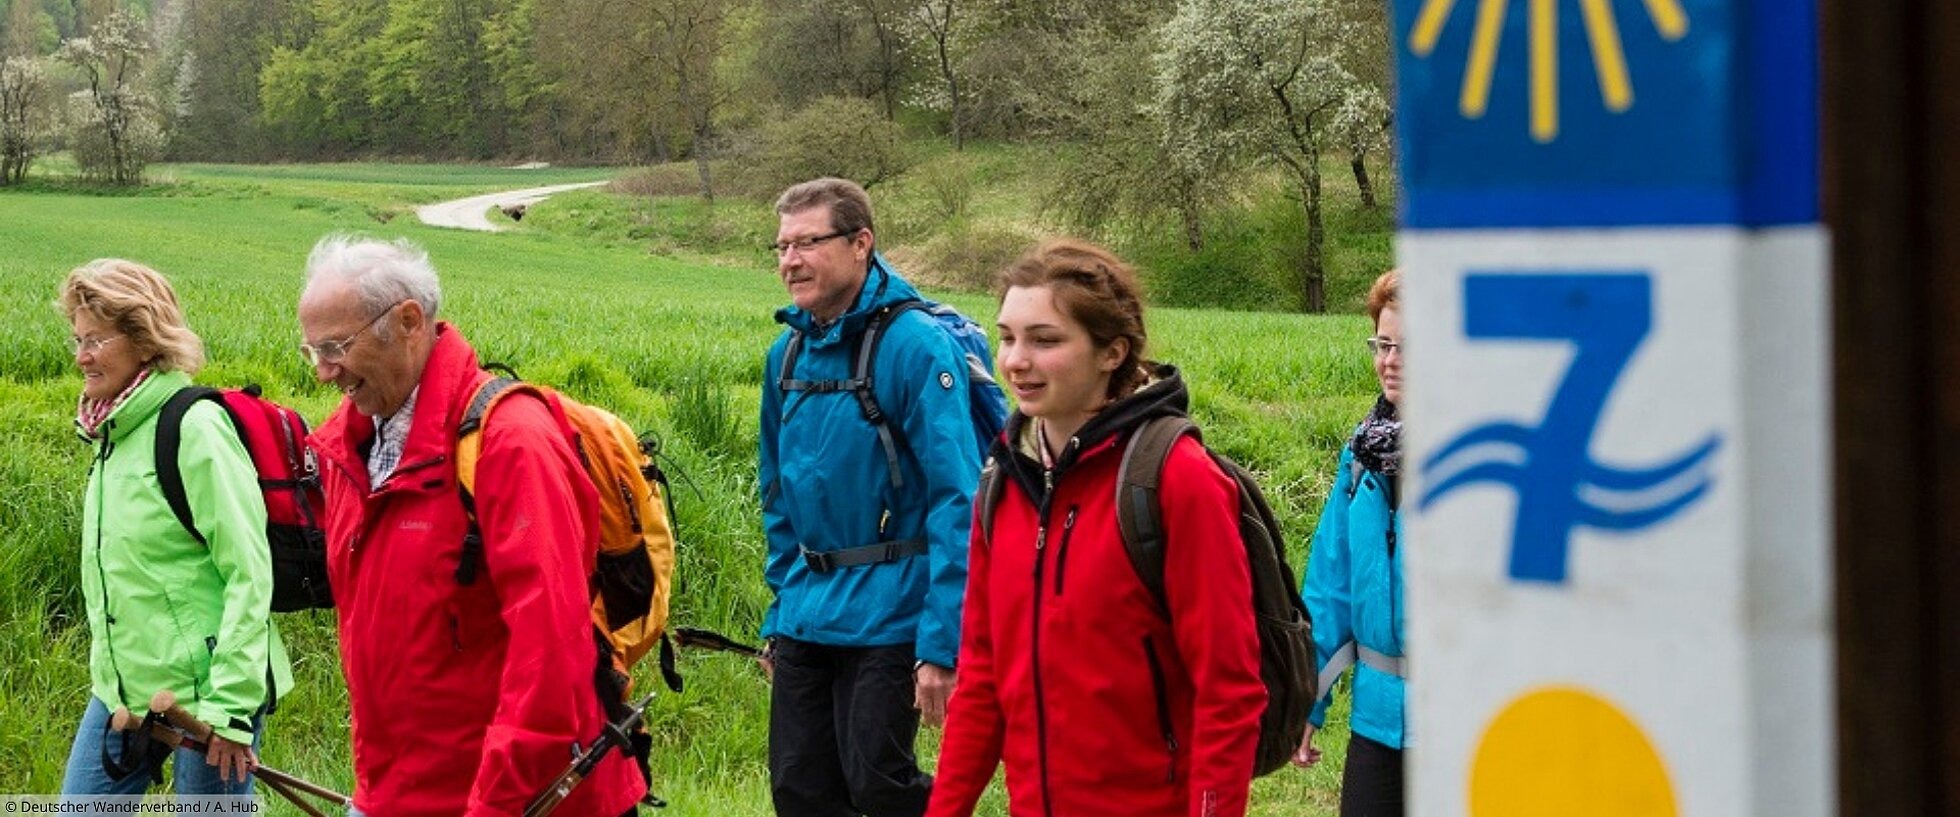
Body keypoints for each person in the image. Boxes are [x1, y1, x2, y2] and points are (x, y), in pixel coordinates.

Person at [297, 235, 645, 817]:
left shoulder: (511, 443)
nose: (323, 372)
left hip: (522, 800)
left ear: (408, 320)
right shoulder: (348, 449)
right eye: (312, 350)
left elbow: (551, 655)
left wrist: (497, 804)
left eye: (335, 347)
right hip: (399, 791)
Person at [927, 239, 1266, 817]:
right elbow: (982, 679)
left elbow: (1228, 691)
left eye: (1046, 340)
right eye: (1008, 337)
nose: (1015, 361)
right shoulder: (1003, 482)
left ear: (1112, 352)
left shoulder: (1176, 479)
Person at [758, 178, 982, 816]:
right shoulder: (787, 354)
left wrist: (942, 642)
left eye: (807, 242)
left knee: (879, 783)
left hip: (893, 609)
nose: (789, 261)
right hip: (808, 608)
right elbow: (777, 495)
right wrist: (780, 612)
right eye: (781, 246)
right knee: (799, 788)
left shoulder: (913, 346)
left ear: (861, 244)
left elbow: (956, 498)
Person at [57, 259, 292, 797]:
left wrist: (231, 709)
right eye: (77, 339)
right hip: (123, 691)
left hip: (209, 697)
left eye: (95, 340)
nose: (81, 357)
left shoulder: (193, 427)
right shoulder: (111, 430)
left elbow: (248, 571)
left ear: (143, 338)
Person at [1293, 269, 1407, 816]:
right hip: (1377, 725)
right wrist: (1308, 703)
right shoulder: (1361, 458)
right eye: (1384, 344)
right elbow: (1330, 585)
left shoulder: (1483, 465)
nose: (1391, 360)